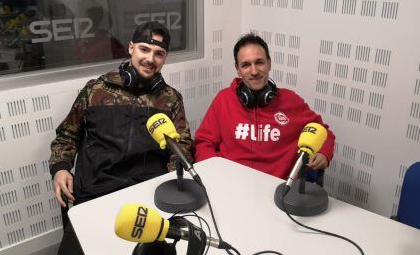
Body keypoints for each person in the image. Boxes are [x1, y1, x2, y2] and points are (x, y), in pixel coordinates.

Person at [49, 21, 193, 255]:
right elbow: (67, 135)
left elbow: (181, 146)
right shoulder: (95, 90)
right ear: (131, 48)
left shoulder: (171, 99)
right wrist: (61, 167)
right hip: (95, 192)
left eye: (159, 54)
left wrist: (172, 181)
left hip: (146, 194)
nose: (150, 59)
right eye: (144, 50)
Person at [194, 33, 335, 180]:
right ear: (238, 69)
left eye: (259, 62)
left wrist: (323, 153)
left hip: (277, 190)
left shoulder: (291, 101)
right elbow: (204, 142)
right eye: (246, 65)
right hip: (231, 185)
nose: (254, 71)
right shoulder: (223, 100)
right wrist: (215, 173)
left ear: (269, 63)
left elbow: (323, 132)